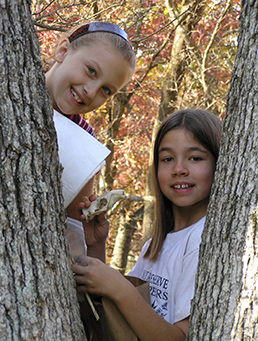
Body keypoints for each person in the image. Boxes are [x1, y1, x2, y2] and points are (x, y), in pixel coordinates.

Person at [71, 109, 222, 340]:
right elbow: (120, 313)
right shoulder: (155, 245)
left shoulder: (203, 240)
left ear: (219, 164)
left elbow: (179, 338)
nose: (179, 169)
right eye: (167, 159)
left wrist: (119, 288)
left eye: (195, 158)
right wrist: (96, 245)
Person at [44, 21, 136, 260]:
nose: (91, 91)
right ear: (62, 51)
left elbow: (72, 225)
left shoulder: (84, 141)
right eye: (91, 71)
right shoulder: (11, 85)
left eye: (106, 90)